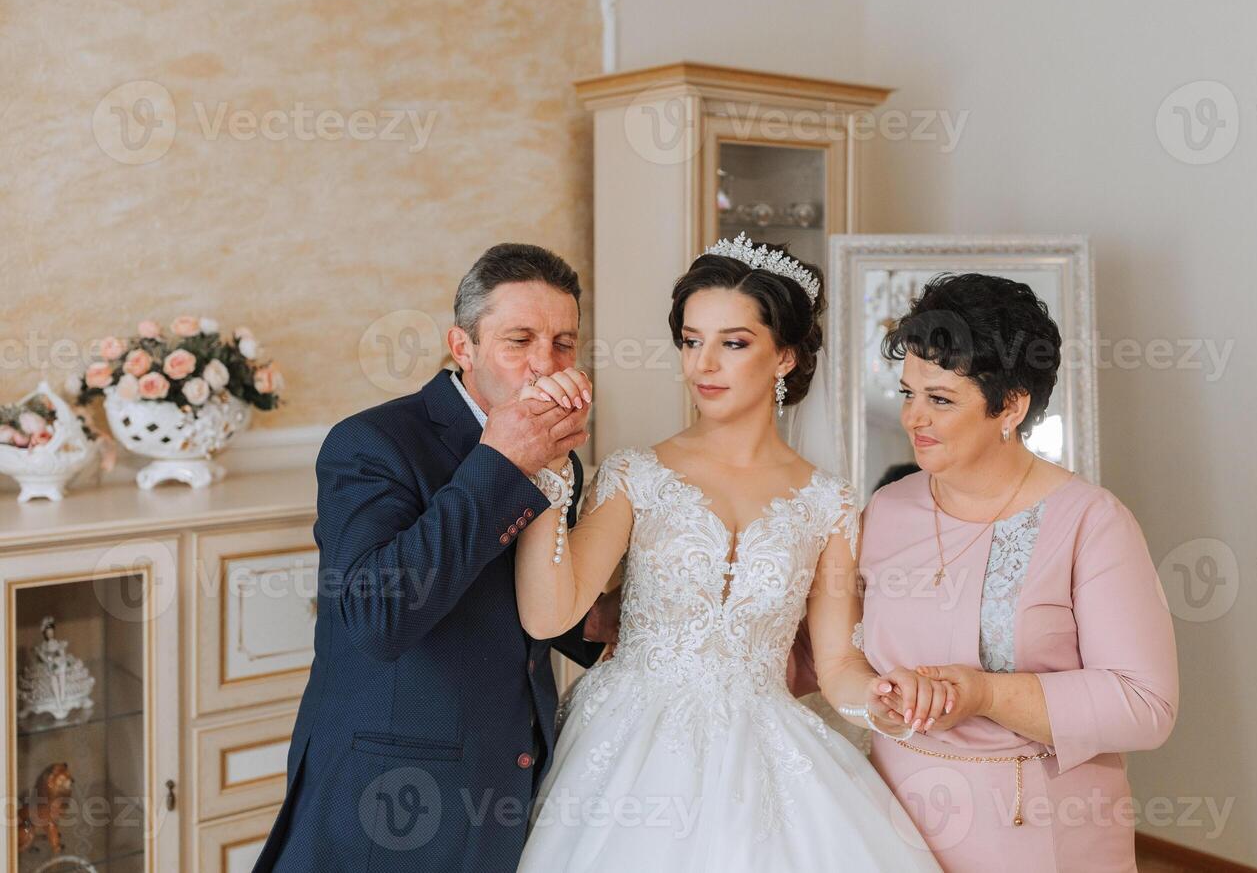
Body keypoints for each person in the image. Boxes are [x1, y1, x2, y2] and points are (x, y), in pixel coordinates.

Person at [512, 234, 940, 871]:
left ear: (785, 356)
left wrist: (878, 700)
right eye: (691, 340)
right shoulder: (636, 476)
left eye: (732, 343)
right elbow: (549, 617)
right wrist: (545, 477)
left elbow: (836, 665)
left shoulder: (828, 503)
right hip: (626, 749)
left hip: (767, 752)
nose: (702, 364)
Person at [254, 244, 617, 872]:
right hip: (387, 800)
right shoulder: (371, 443)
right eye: (519, 340)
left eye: (563, 343)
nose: (543, 366)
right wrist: (503, 464)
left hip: (507, 784)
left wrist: (620, 619)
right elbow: (377, 616)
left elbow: (531, 604)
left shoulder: (561, 454)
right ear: (463, 347)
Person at [860, 273, 1179, 872]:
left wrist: (982, 693)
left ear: (1010, 405)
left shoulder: (1091, 520)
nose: (913, 418)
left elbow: (1145, 704)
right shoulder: (887, 509)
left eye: (941, 399)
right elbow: (835, 652)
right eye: (908, 392)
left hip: (1039, 831)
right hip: (894, 826)